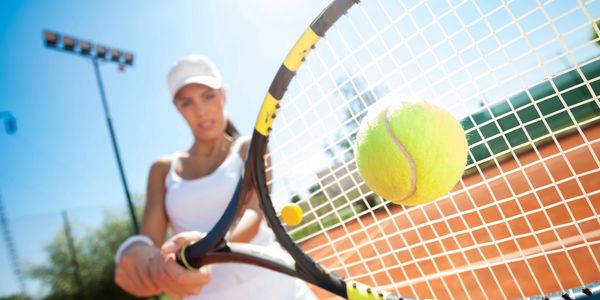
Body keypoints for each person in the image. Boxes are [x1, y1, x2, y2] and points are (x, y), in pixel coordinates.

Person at [114, 54, 316, 299]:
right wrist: (133, 251)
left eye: (208, 96)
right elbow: (149, 241)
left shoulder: (249, 148)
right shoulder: (162, 169)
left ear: (223, 96)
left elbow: (253, 211)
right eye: (186, 102)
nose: (200, 110)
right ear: (178, 109)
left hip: (276, 286)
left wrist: (210, 246)